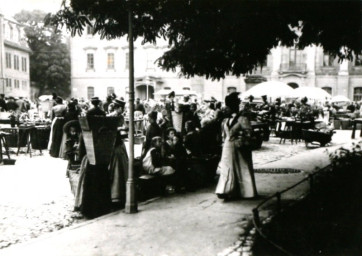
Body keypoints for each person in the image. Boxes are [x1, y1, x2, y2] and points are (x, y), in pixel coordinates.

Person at [215, 92, 258, 200]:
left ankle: (247, 192)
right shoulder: (225, 119)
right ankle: (225, 190)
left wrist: (241, 140)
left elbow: (249, 133)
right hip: (227, 146)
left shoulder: (242, 118)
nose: (225, 109)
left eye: (228, 107)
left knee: (242, 168)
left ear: (233, 107)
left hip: (240, 147)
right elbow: (223, 134)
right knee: (226, 168)